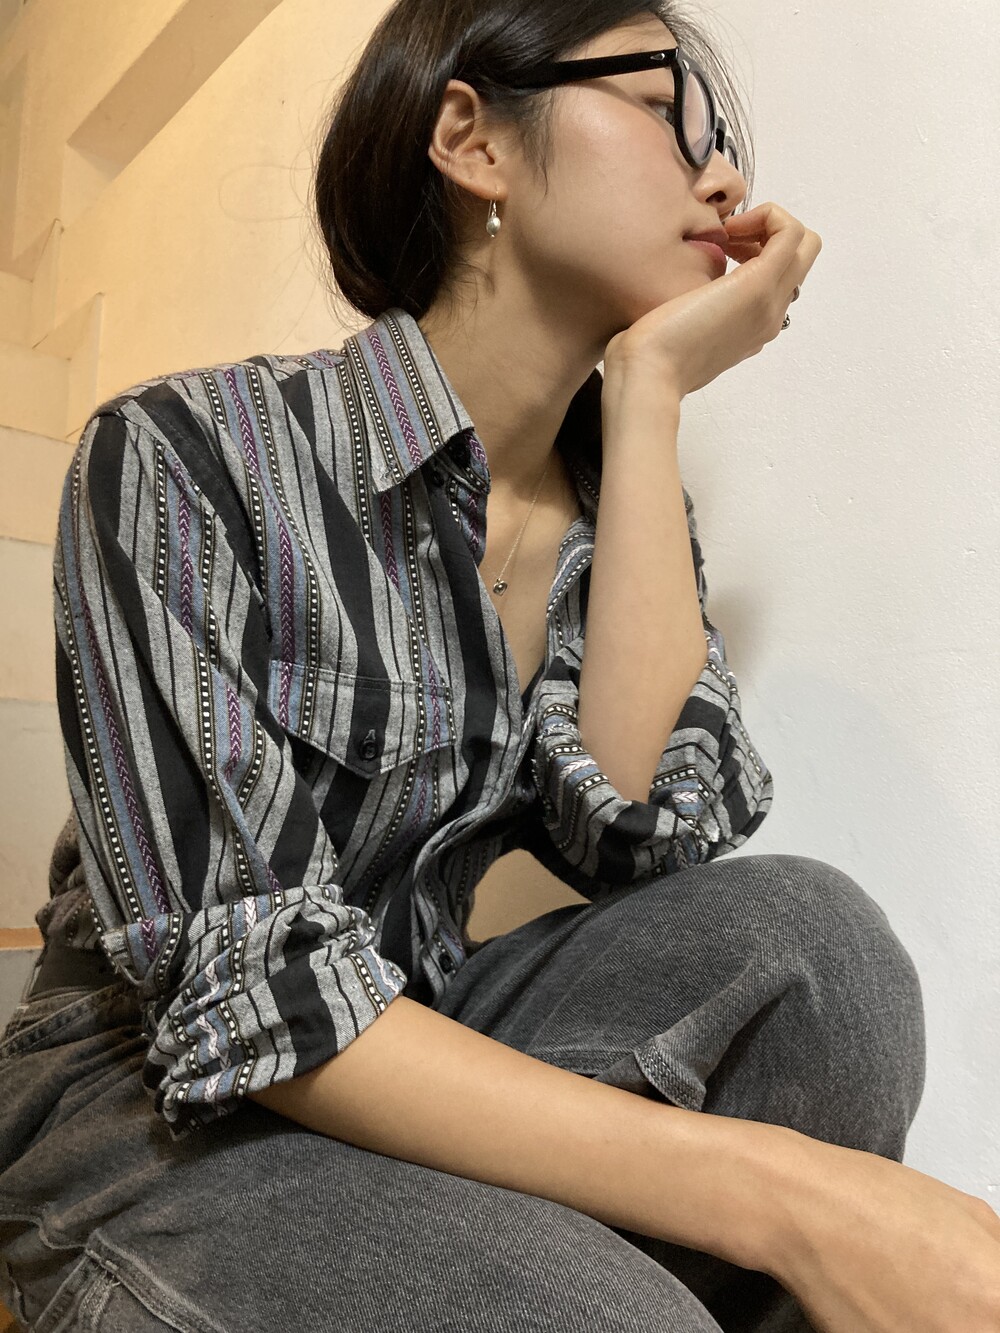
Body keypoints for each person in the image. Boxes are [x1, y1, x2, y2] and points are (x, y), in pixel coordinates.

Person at [1, 1, 998, 1329]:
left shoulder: (619, 516)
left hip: (424, 1027)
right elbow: (251, 993)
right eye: (666, 110)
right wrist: (792, 1196)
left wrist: (649, 398)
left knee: (823, 951)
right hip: (147, 1103)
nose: (723, 177)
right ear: (474, 141)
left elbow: (635, 834)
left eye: (723, 141)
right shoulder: (187, 454)